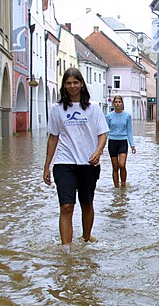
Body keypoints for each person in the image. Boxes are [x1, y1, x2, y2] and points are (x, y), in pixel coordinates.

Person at [43, 68, 109, 254]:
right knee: (66, 206)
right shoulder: (56, 109)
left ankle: (86, 238)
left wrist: (98, 151)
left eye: (75, 82)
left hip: (88, 162)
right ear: (64, 85)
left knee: (87, 203)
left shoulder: (93, 107)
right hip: (64, 163)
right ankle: (66, 249)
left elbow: (102, 133)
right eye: (68, 83)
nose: (72, 86)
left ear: (81, 84)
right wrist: (47, 166)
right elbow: (53, 138)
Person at [105, 95, 136, 188]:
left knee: (122, 165)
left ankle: (123, 184)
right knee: (115, 166)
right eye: (116, 102)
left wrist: (132, 145)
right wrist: (101, 146)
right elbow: (106, 131)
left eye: (119, 102)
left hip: (123, 142)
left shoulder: (127, 116)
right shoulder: (109, 116)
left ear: (122, 103)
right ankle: (116, 188)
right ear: (113, 104)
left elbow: (129, 131)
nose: (118, 104)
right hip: (112, 142)